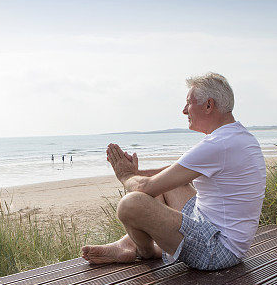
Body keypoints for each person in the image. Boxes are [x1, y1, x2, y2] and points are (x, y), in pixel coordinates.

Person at [81, 72, 266, 270]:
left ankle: (146, 252)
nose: (184, 110)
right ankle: (127, 244)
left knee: (130, 203)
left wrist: (126, 175)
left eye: (189, 103)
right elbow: (172, 172)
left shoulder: (219, 144)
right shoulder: (236, 136)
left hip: (217, 249)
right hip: (219, 234)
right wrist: (138, 172)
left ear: (208, 105)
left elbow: (145, 188)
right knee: (166, 183)